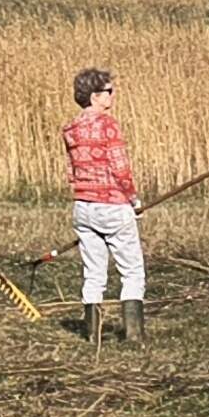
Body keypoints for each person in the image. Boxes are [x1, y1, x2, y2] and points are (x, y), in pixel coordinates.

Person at [64, 66, 145, 344]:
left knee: (94, 272)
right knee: (132, 271)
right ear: (96, 96)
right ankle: (134, 335)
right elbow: (120, 168)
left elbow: (71, 171)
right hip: (112, 205)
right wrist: (133, 199)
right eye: (109, 92)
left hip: (83, 206)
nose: (113, 96)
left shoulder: (71, 129)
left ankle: (92, 334)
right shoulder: (108, 125)